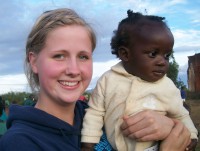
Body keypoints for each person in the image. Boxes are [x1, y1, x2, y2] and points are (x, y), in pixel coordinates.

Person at [0, 8, 191, 151]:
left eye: (83, 56)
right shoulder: (20, 143)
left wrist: (171, 126)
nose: (74, 70)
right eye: (59, 55)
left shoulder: (98, 114)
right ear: (34, 61)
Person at [81, 10, 198, 151]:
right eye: (153, 54)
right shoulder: (108, 80)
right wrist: (89, 139)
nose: (162, 62)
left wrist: (191, 135)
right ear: (125, 54)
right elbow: (95, 112)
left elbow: (180, 114)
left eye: (166, 55)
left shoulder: (167, 86)